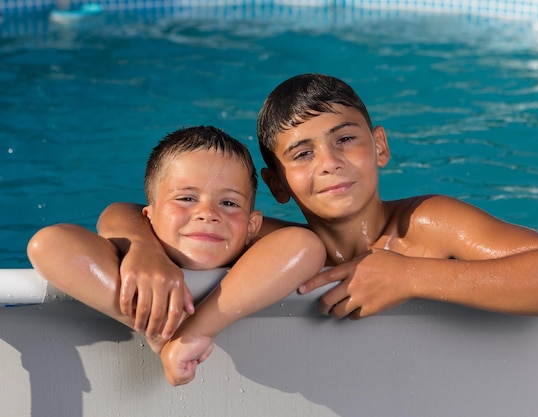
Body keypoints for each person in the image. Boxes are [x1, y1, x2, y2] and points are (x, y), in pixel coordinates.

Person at [97, 73, 538, 326]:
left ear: (379, 146)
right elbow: (124, 213)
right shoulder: (274, 244)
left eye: (345, 139)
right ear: (276, 186)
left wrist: (411, 275)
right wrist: (141, 247)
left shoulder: (427, 226)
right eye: (302, 153)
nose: (329, 163)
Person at [27, 125, 326, 385]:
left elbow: (306, 246)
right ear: (149, 217)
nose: (207, 214)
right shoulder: (131, 257)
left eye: (230, 203)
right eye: (186, 198)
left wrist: (190, 336)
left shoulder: (257, 260)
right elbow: (48, 243)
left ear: (252, 226)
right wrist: (143, 252)